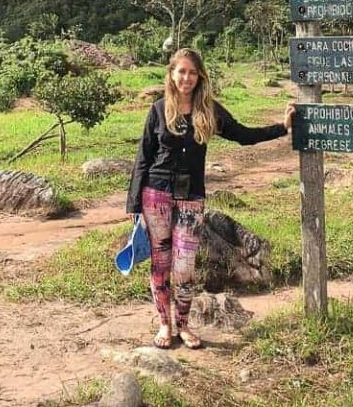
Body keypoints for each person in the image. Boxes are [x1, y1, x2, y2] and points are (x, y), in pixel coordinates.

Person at [126, 47, 295, 349]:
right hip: (156, 194)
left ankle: (185, 325)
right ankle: (165, 325)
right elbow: (143, 157)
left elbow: (243, 135)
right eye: (181, 71)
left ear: (200, 76)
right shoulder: (159, 109)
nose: (187, 78)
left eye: (193, 72)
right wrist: (134, 204)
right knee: (161, 263)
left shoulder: (210, 111)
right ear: (172, 74)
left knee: (185, 267)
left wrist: (281, 128)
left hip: (191, 196)